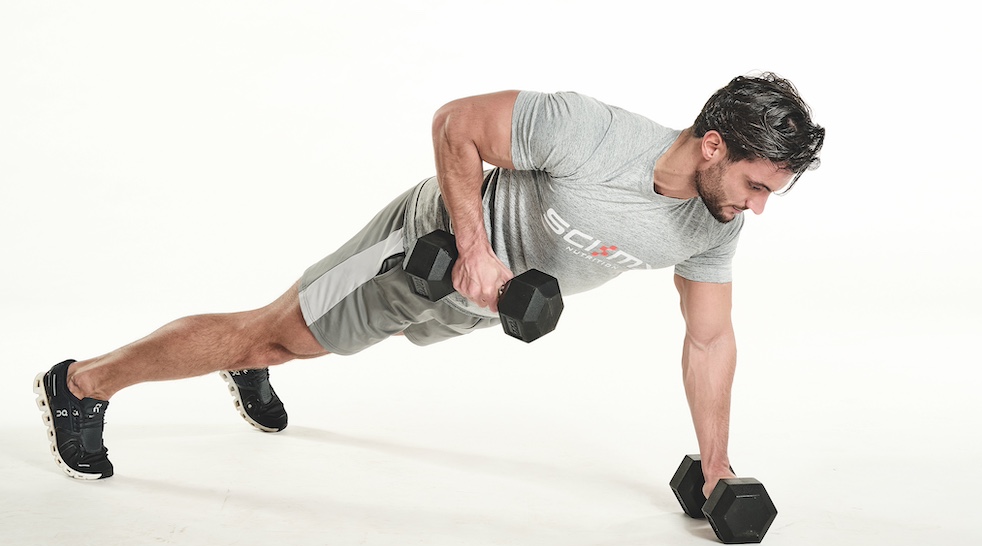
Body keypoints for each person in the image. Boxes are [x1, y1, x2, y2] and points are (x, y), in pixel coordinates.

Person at [33, 73, 824, 498]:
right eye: (756, 185)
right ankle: (82, 383)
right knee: (273, 328)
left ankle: (258, 359)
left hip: (479, 305)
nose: (757, 208)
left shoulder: (712, 225)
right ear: (714, 145)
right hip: (427, 249)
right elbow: (456, 122)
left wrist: (714, 463)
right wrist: (475, 250)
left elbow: (709, 336)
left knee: (311, 336)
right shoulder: (590, 133)